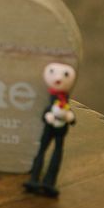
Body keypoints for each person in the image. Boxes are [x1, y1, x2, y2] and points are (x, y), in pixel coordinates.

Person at [23, 62, 77, 198]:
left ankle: (49, 181)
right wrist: (48, 115)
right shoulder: (53, 97)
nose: (59, 78)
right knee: (42, 150)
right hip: (50, 126)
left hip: (61, 129)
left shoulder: (64, 98)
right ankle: (34, 178)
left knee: (56, 152)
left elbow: (68, 111)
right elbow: (48, 110)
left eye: (65, 75)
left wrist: (70, 116)